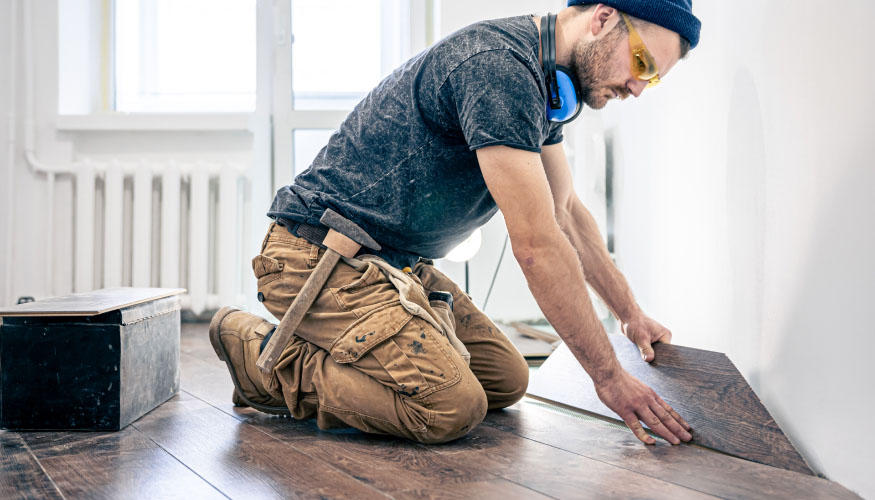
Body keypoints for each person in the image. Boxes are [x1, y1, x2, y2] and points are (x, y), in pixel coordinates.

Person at [210, 0, 701, 445]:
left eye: (652, 79)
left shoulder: (545, 80)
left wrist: (629, 313)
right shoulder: (499, 68)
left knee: (506, 380)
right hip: (316, 256)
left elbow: (566, 211)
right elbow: (537, 245)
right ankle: (266, 364)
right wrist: (610, 379)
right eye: (641, 64)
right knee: (450, 407)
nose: (638, 88)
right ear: (603, 18)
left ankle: (334, 352)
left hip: (394, 267)